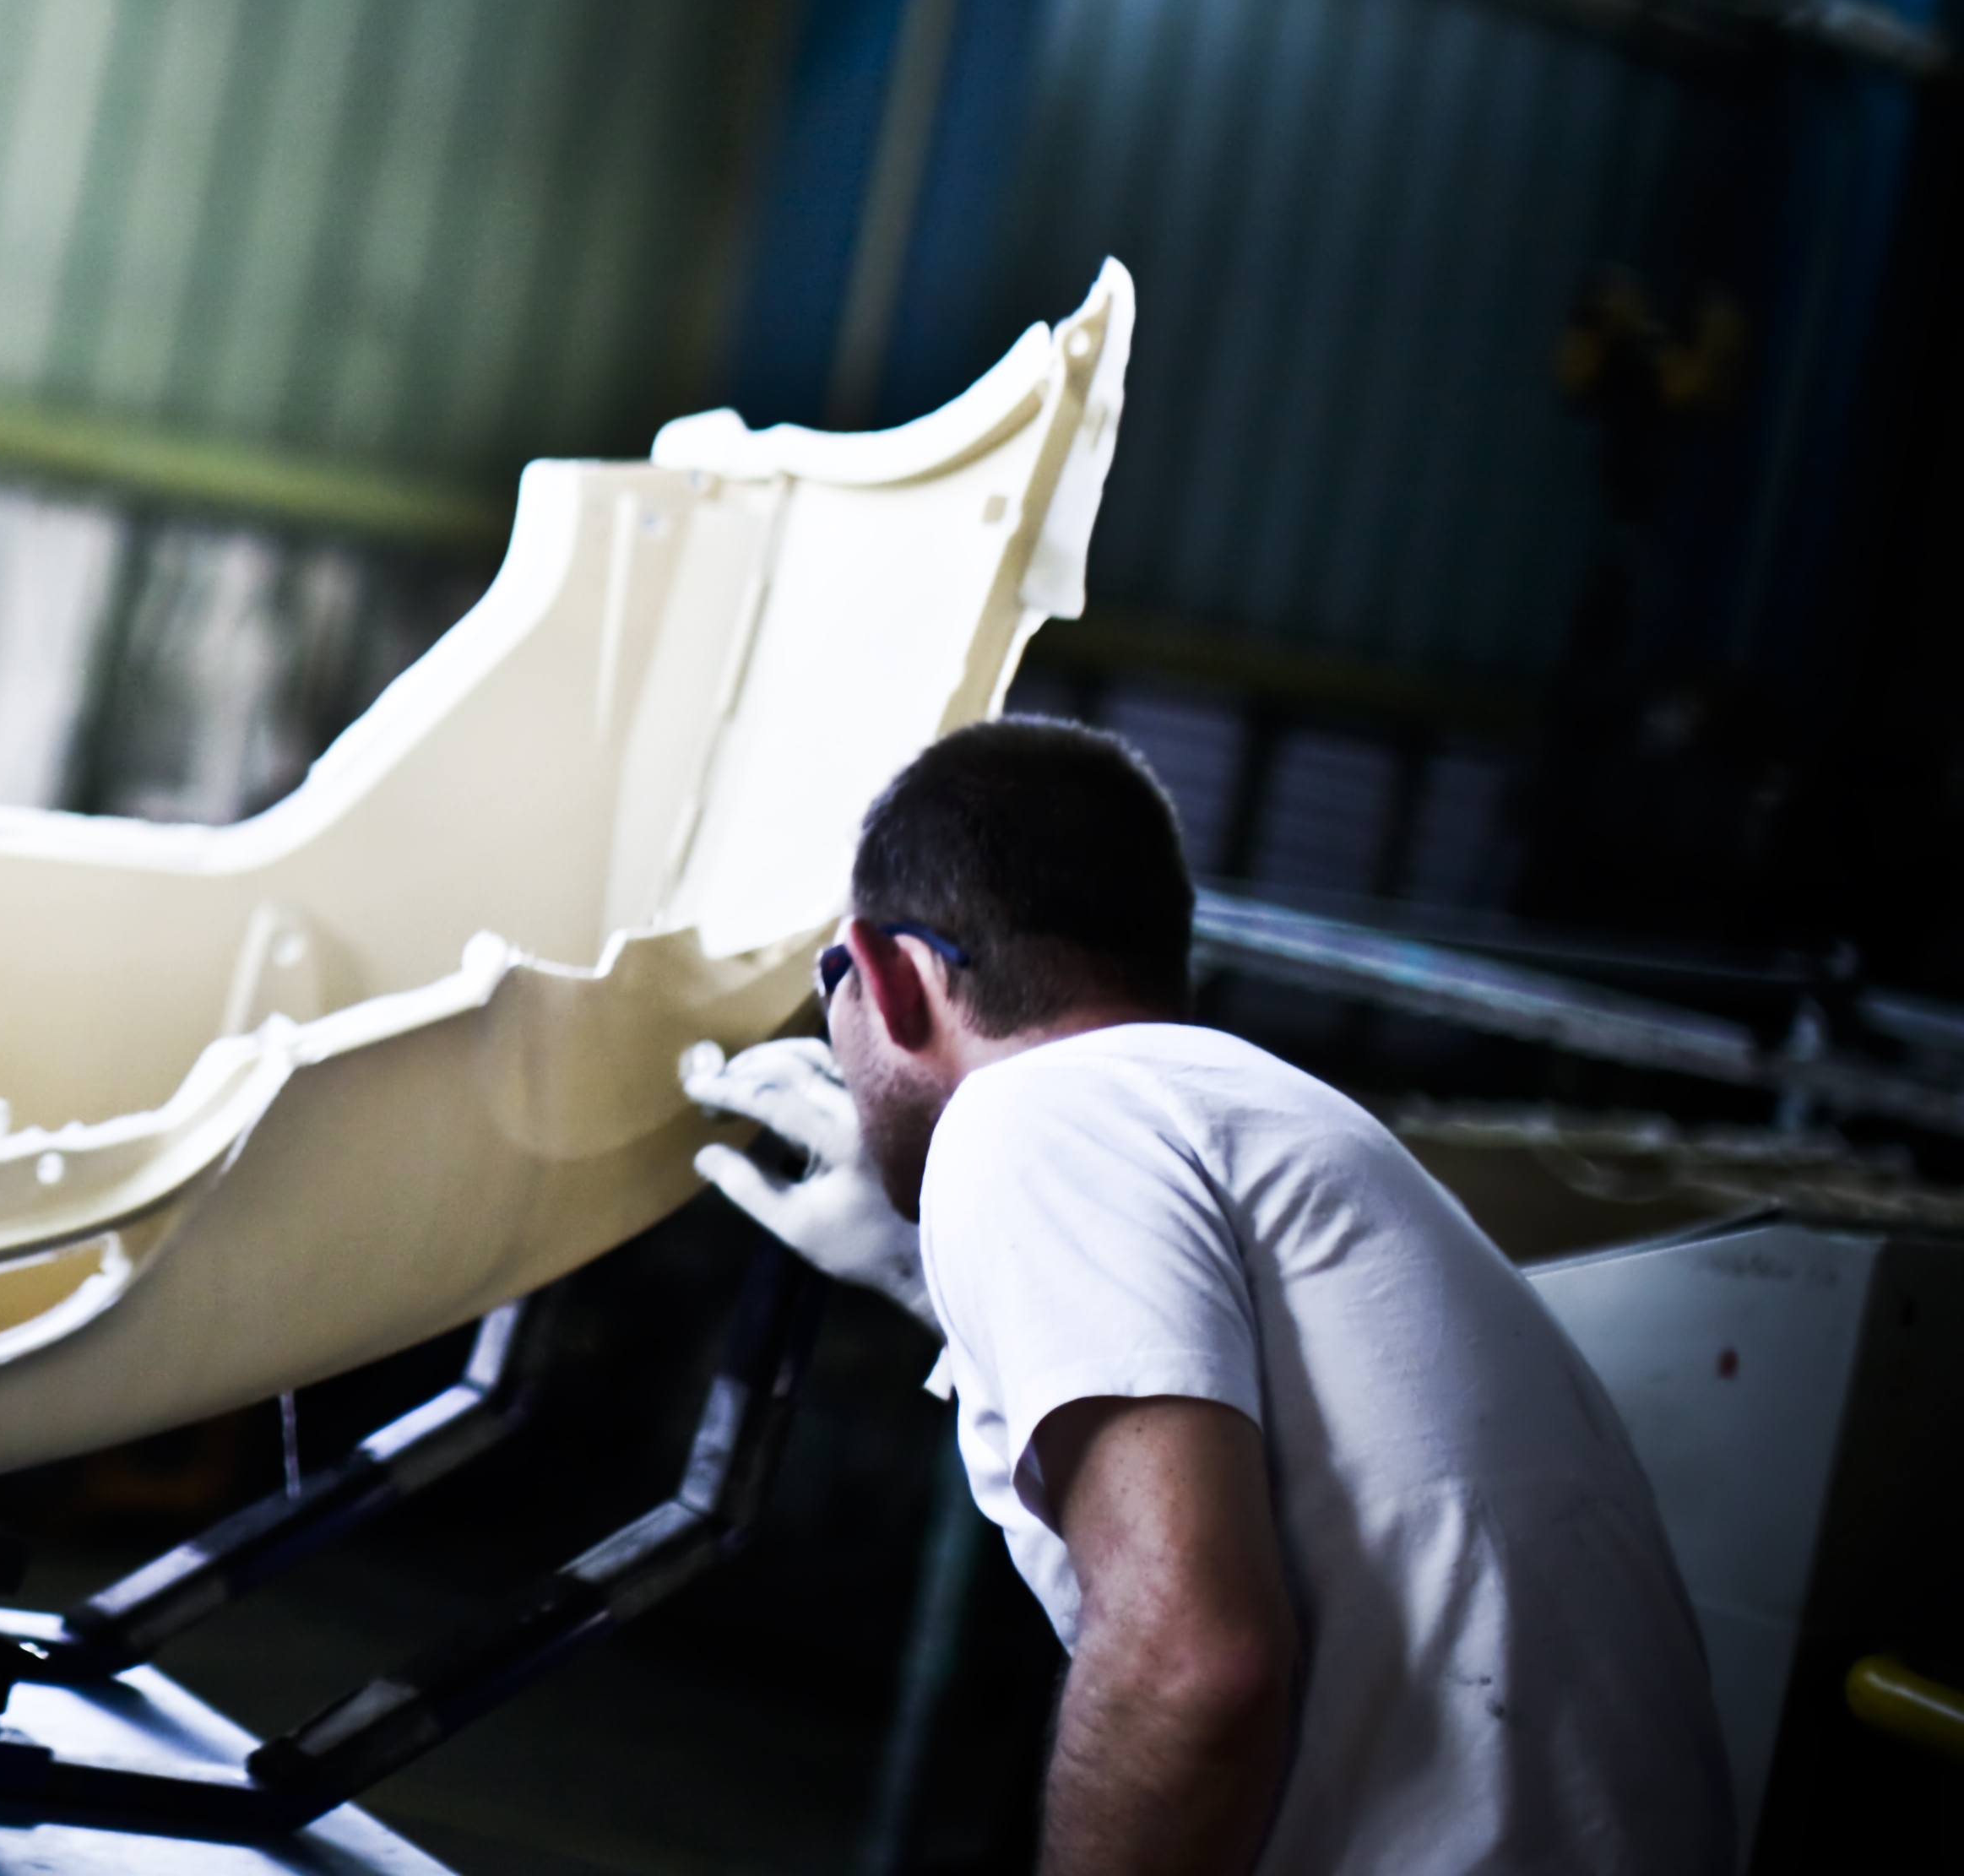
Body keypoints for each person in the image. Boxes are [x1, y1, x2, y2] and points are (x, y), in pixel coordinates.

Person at [682, 718, 1728, 1876]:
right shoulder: (1259, 1110)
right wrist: (916, 1265)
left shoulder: (1033, 1113)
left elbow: (1190, 1667)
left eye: (834, 987)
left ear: (886, 975)